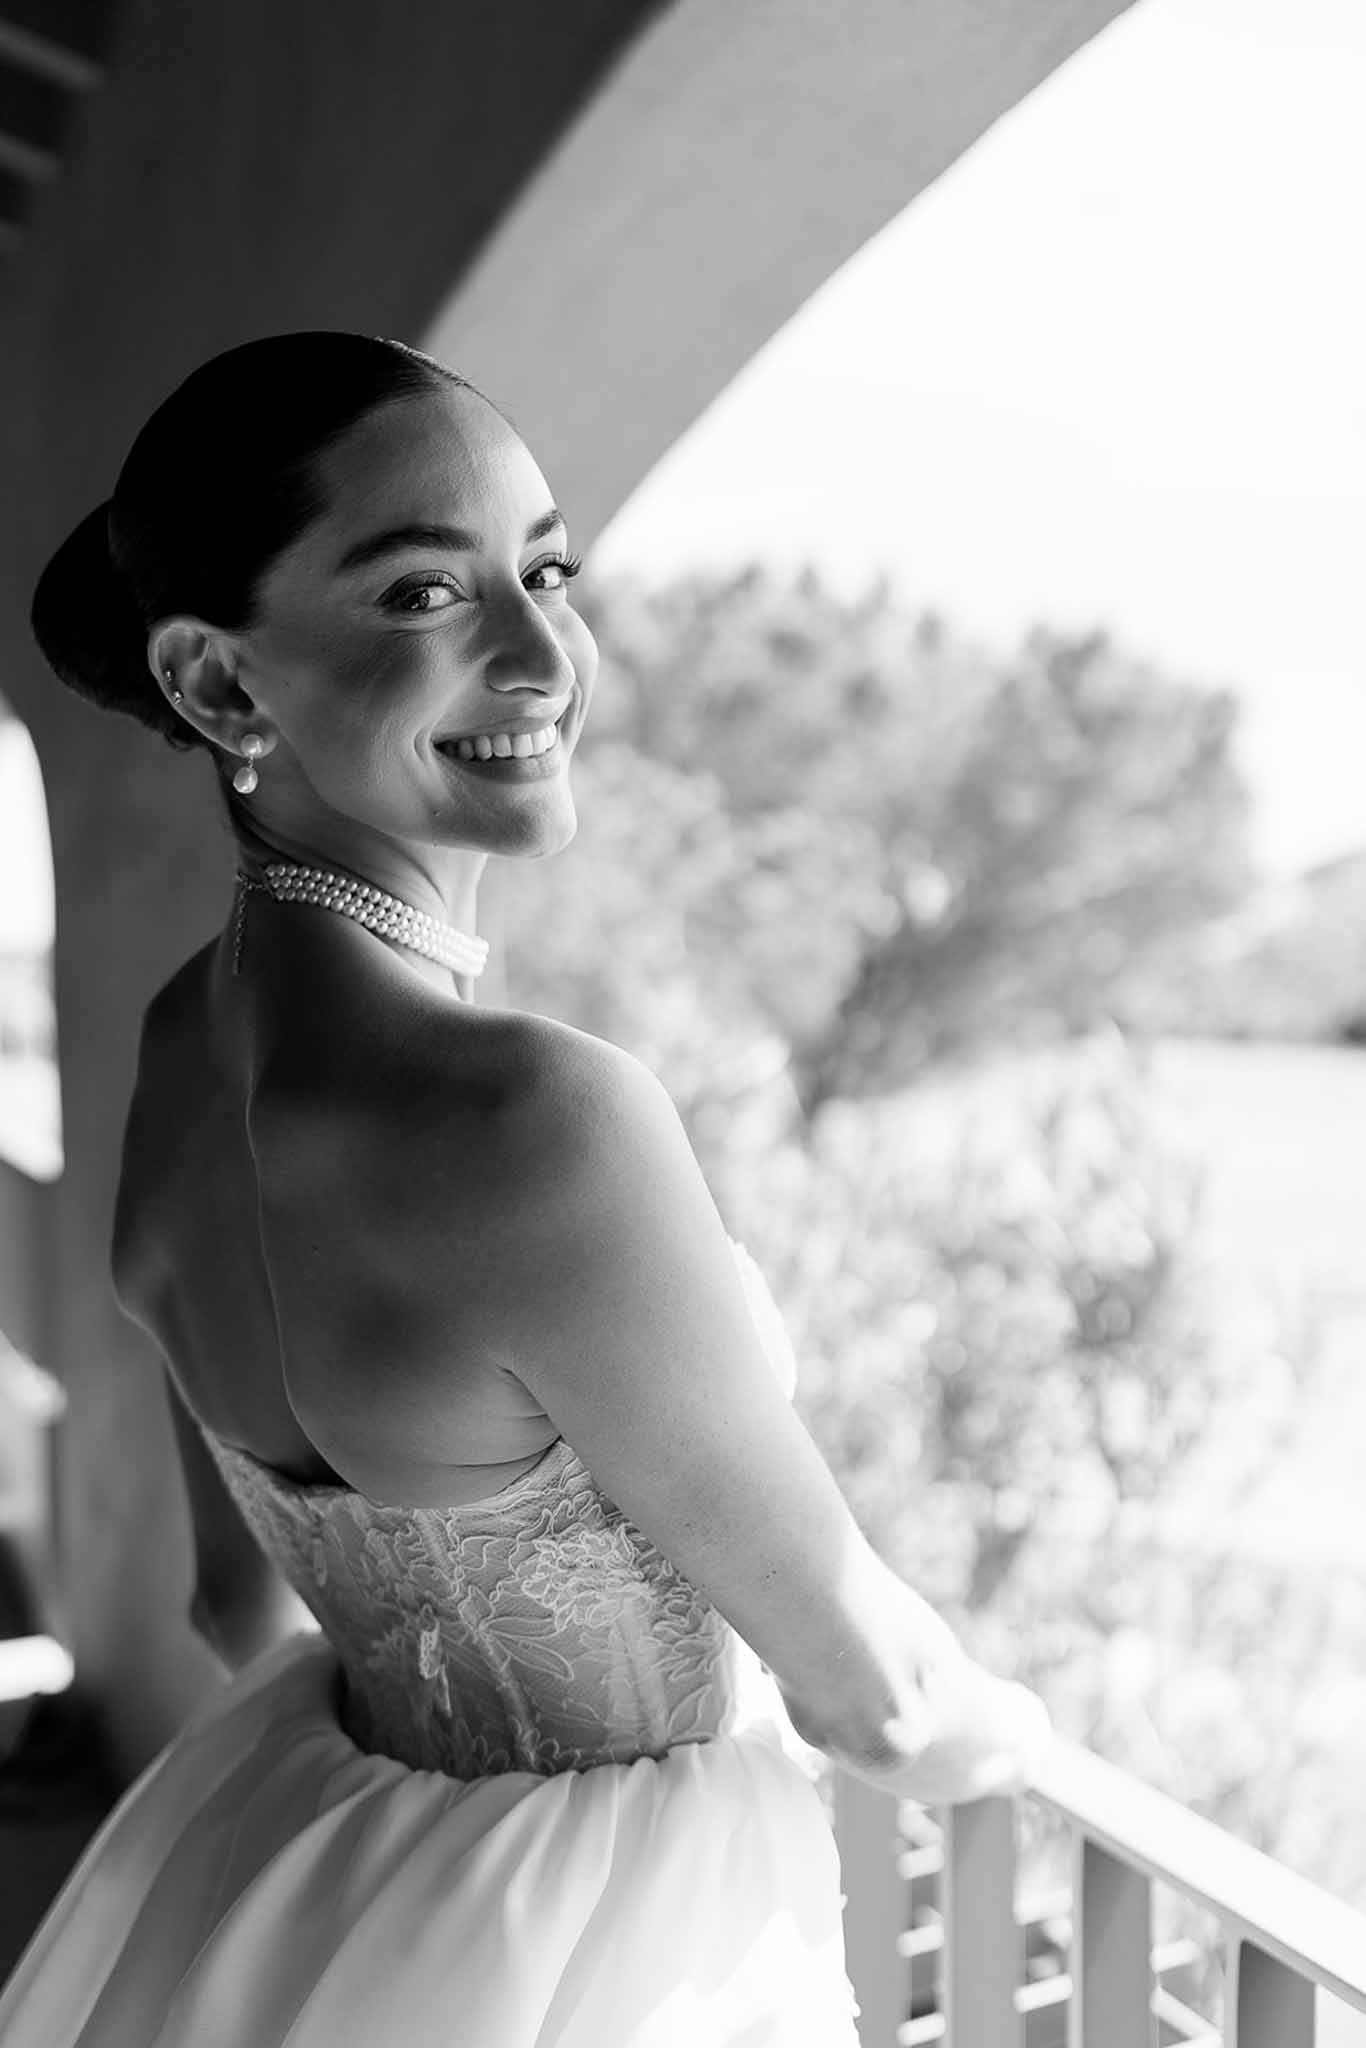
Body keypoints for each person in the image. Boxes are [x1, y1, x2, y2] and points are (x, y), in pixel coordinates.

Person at [0, 332, 1051, 2046]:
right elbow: (873, 1702)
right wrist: (1017, 1748)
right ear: (216, 686)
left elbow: (234, 1598)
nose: (539, 650)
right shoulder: (528, 1117)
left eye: (544, 568)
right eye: (422, 592)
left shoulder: (181, 1043)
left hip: (314, 1877)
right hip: (612, 1944)